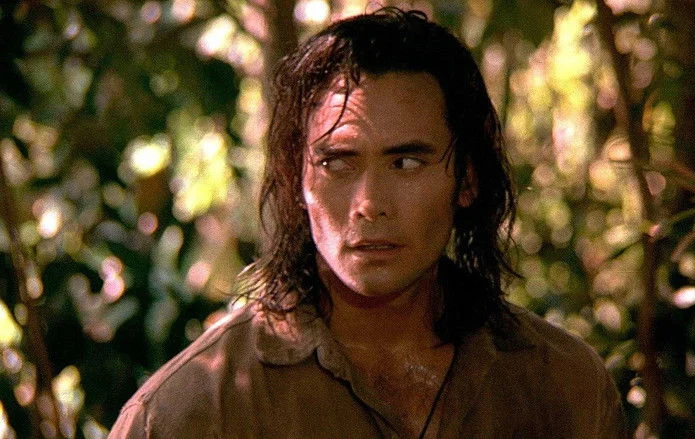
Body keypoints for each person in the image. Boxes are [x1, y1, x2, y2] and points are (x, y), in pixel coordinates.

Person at [109, 7, 627, 438]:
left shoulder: (560, 386)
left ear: (466, 180)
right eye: (338, 163)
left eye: (406, 163)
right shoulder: (193, 411)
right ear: (298, 182)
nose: (370, 204)